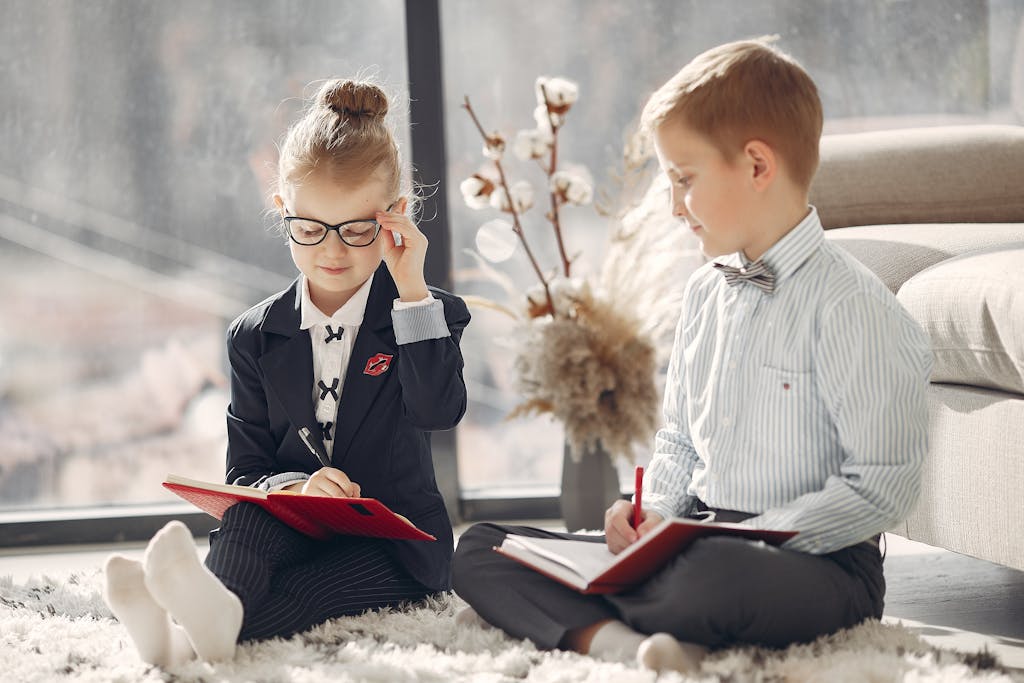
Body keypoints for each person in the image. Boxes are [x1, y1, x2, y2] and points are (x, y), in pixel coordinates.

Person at [452, 37, 933, 674]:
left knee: (709, 576)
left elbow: (883, 486)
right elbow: (679, 441)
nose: (675, 206)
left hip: (814, 561)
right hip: (696, 539)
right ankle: (623, 642)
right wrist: (653, 516)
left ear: (758, 166)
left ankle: (568, 614)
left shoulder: (854, 307)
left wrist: (740, 536)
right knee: (481, 549)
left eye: (684, 180)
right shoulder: (706, 292)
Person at [102, 78, 470, 666]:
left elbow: (437, 412)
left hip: (395, 545)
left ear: (394, 217)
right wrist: (294, 488)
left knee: (309, 591)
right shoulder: (254, 335)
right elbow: (246, 470)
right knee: (245, 529)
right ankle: (190, 623)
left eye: (356, 230)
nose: (333, 251)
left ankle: (174, 639)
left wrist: (410, 290)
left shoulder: (424, 311)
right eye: (309, 229)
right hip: (295, 520)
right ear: (282, 211)